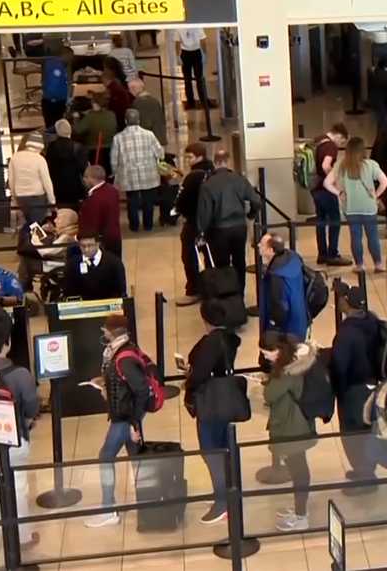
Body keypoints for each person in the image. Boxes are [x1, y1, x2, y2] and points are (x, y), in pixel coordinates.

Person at [84, 315, 150, 528]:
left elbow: (141, 390)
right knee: (136, 457)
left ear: (114, 331)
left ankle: (108, 508)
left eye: (105, 329)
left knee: (106, 457)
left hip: (124, 418)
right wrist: (104, 381)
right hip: (127, 416)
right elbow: (123, 380)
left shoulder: (123, 357)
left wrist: (134, 422)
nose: (103, 332)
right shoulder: (123, 350)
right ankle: (146, 503)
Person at [0, 333, 41, 547]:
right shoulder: (21, 374)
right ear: (7, 344)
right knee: (18, 487)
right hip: (15, 439)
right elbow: (32, 405)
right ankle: (22, 536)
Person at [182, 301, 242, 524]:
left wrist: (189, 384)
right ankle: (228, 492)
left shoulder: (211, 343)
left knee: (211, 451)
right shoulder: (229, 338)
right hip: (226, 399)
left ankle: (222, 501)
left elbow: (199, 375)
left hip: (211, 403)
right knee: (223, 448)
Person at [261, 335, 322, 532]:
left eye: (267, 352)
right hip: (297, 422)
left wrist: (270, 382)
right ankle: (299, 507)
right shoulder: (295, 365)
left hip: (290, 426)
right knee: (299, 467)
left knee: (298, 469)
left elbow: (269, 396)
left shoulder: (286, 373)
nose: (264, 356)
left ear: (278, 349)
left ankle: (301, 515)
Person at [329, 283, 383, 484]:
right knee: (367, 430)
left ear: (347, 304)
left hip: (352, 390)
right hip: (372, 384)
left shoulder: (346, 334)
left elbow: (339, 366)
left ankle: (365, 476)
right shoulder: (372, 321)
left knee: (353, 435)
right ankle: (366, 470)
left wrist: (337, 390)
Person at [198, 150, 261, 293]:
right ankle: (239, 294)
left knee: (221, 265)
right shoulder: (239, 179)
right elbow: (256, 200)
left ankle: (226, 296)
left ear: (215, 163)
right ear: (228, 162)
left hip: (218, 230)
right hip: (239, 228)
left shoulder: (208, 184)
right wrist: (251, 214)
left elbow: (204, 213)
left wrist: (202, 232)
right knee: (240, 261)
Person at [325, 136, 387, 272]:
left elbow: (327, 183)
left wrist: (339, 193)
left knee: (355, 237)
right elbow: (385, 182)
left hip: (350, 207)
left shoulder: (341, 165)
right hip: (369, 207)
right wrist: (376, 195)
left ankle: (360, 265)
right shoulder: (371, 164)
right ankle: (378, 264)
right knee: (373, 236)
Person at [111, 108, 164, 233]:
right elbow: (160, 153)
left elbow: (114, 159)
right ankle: (148, 225)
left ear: (125, 121)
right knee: (148, 200)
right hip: (149, 174)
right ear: (139, 120)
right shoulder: (149, 135)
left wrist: (114, 173)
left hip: (129, 175)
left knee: (132, 201)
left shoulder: (118, 138)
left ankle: (134, 226)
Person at [173, 143, 213, 305]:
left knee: (189, 256)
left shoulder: (193, 176)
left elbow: (182, 200)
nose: (187, 160)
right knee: (210, 256)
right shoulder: (212, 172)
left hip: (193, 222)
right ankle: (212, 287)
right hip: (210, 222)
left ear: (200, 157)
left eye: (190, 157)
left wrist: (179, 210)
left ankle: (193, 290)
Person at [311, 124, 352, 266]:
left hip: (314, 187)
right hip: (325, 189)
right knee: (335, 221)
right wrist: (333, 181)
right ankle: (333, 254)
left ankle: (322, 254)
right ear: (339, 136)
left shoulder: (318, 140)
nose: (340, 145)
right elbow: (325, 165)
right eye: (342, 142)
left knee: (321, 221)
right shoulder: (330, 146)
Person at [258, 233, 310, 342]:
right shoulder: (293, 258)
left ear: (271, 250)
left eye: (262, 245)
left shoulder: (276, 275)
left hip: (286, 331)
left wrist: (273, 327)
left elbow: (278, 306)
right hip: (300, 320)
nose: (258, 245)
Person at [8, 132, 55, 225]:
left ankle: (25, 239)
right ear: (40, 146)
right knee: (37, 227)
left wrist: (14, 198)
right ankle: (33, 239)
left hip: (21, 197)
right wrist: (52, 201)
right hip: (37, 198)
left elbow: (11, 181)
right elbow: (47, 183)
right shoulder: (40, 159)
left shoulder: (15, 157)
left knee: (26, 225)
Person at [65, 232, 127, 300]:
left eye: (90, 245)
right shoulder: (72, 265)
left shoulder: (114, 263)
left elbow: (121, 292)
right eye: (83, 246)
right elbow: (69, 292)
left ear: (97, 244)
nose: (86, 249)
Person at [78, 164, 122, 258]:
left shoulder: (94, 199)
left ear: (91, 178)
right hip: (115, 237)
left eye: (85, 177)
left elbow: (91, 224)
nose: (84, 180)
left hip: (103, 242)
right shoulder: (112, 190)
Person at [47, 120, 88, 207]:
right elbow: (84, 169)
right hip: (75, 187)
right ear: (70, 130)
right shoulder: (78, 147)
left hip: (57, 187)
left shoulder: (51, 147)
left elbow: (49, 168)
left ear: (57, 131)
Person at [75, 92, 118, 174]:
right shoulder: (112, 115)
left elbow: (78, 130)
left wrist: (76, 118)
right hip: (110, 151)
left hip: (93, 151)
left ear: (95, 103)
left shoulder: (90, 117)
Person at [176, 26, 209, 110]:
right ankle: (191, 102)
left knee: (198, 78)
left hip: (196, 52)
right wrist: (178, 56)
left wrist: (204, 53)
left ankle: (202, 100)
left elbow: (203, 40)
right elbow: (177, 42)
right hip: (186, 53)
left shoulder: (197, 26)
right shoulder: (180, 28)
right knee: (189, 79)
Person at [128, 79, 167, 148]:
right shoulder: (155, 100)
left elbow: (144, 123)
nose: (129, 92)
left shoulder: (138, 103)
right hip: (159, 138)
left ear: (133, 89)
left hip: (149, 142)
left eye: (130, 89)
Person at [40, 48, 73, 129]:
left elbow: (43, 81)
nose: (71, 59)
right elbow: (53, 87)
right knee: (56, 127)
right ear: (66, 55)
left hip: (50, 101)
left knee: (51, 127)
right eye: (71, 57)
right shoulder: (58, 67)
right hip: (55, 102)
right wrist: (67, 101)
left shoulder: (52, 63)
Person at [102, 57, 134, 128]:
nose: (104, 71)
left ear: (110, 70)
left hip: (119, 120)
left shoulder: (115, 86)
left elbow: (111, 104)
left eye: (105, 68)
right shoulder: (119, 82)